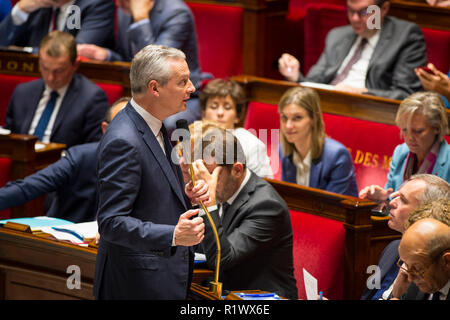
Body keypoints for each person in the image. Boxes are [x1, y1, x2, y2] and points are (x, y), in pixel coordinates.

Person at [94, 45, 208, 300]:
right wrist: (173, 235)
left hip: (158, 279)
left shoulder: (155, 123)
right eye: (183, 82)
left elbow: (146, 196)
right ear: (155, 88)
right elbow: (111, 222)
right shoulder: (124, 140)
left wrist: (184, 195)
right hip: (135, 286)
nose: (192, 88)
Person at [187, 125, 298, 299]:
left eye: (211, 175)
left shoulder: (266, 206)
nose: (205, 183)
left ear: (237, 170)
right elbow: (200, 249)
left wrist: (207, 204)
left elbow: (222, 260)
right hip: (225, 292)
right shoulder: (224, 191)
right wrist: (195, 203)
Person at [77, 0, 204, 133]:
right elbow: (130, 60)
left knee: (166, 123)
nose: (118, 4)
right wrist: (106, 55)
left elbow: (156, 66)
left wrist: (141, 20)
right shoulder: (125, 9)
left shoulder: (177, 14)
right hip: (142, 93)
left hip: (181, 95)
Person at [0, 97, 129, 223]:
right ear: (105, 129)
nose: (128, 134)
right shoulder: (81, 156)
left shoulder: (146, 163)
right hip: (63, 237)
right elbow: (30, 186)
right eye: (121, 126)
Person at [278, 0, 426, 100]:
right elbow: (313, 82)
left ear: (384, 8)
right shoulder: (337, 35)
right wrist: (296, 77)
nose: (354, 19)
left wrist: (363, 93)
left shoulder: (405, 36)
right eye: (350, 11)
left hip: (367, 109)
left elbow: (407, 94)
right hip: (325, 105)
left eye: (364, 12)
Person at [4, 31, 109, 148]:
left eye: (58, 71)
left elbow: (92, 150)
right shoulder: (22, 92)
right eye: (45, 68)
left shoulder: (92, 98)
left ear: (75, 65)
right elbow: (9, 138)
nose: (50, 77)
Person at [361, 174, 450, 300]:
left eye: (403, 200)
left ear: (425, 211)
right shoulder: (392, 249)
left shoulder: (428, 271)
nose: (391, 203)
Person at [359, 91, 449, 204]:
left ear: (436, 128)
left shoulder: (448, 161)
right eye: (405, 130)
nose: (410, 137)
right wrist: (383, 197)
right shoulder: (400, 151)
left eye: (418, 131)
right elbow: (392, 195)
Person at [278, 86, 358, 196]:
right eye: (284, 117)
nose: (288, 125)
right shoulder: (283, 150)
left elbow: (331, 208)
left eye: (297, 118)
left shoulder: (337, 156)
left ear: (314, 118)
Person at [198, 78, 273, 178]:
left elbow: (262, 187)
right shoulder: (194, 140)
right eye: (214, 107)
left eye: (227, 107)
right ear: (203, 114)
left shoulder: (252, 145)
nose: (220, 113)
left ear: (237, 116)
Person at [0, 0, 114, 51]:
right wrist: (20, 10)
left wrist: (26, 51)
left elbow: (74, 51)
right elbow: (3, 45)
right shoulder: (38, 5)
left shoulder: (96, 4)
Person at [392, 218, 450, 300]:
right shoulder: (418, 283)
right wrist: (396, 296)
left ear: (447, 261)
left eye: (418, 268)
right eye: (406, 265)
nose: (410, 278)